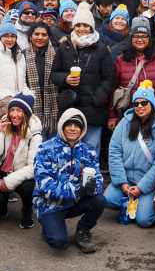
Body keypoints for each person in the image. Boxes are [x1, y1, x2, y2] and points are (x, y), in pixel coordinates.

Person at [33, 108, 104, 253]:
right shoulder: (45, 149)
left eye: (77, 125)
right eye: (69, 124)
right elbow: (44, 184)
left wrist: (92, 187)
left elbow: (99, 179)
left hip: (74, 201)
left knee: (99, 200)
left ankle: (82, 231)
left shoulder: (88, 151)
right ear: (62, 126)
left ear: (82, 129)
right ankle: (47, 226)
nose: (73, 128)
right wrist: (77, 190)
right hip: (50, 204)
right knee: (59, 243)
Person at [53, 3, 117, 150]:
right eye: (78, 25)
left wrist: (97, 98)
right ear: (73, 26)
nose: (82, 29)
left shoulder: (101, 48)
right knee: (67, 148)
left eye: (85, 25)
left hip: (93, 108)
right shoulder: (65, 47)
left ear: (91, 28)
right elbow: (54, 74)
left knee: (90, 148)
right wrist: (65, 78)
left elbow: (109, 78)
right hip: (70, 105)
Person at [105, 81, 155, 228]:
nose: (139, 106)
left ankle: (144, 206)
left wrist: (141, 188)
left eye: (144, 102)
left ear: (151, 104)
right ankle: (134, 204)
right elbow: (114, 151)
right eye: (136, 103)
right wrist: (122, 182)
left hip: (145, 184)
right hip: (125, 181)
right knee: (106, 199)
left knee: (144, 221)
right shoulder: (124, 123)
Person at [0, 94, 45, 227]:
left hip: (22, 173)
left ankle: (27, 210)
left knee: (29, 187)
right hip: (3, 169)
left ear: (26, 114)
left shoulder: (35, 134)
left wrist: (8, 182)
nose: (14, 114)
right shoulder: (5, 125)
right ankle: (2, 203)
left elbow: (33, 167)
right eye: (12, 110)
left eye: (19, 111)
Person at [111, 14, 155, 131]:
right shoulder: (121, 59)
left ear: (149, 37)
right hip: (129, 117)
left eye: (144, 36)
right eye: (136, 36)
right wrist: (112, 116)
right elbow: (112, 89)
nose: (140, 39)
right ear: (131, 37)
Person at [23, 24, 61, 134]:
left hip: (54, 104)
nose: (40, 37)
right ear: (30, 36)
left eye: (44, 34)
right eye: (36, 34)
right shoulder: (23, 54)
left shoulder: (57, 53)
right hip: (32, 104)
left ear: (49, 37)